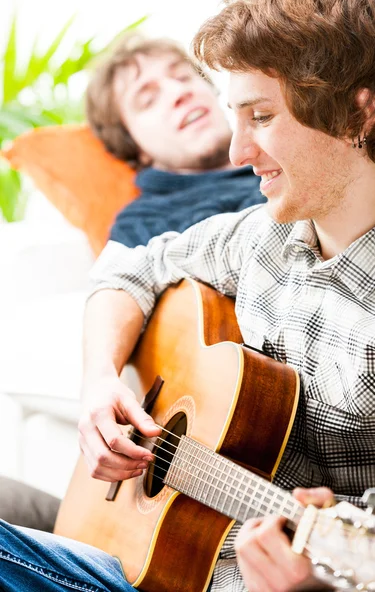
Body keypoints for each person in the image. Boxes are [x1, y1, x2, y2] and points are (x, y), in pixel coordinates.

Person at [1, 0, 375, 590]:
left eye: (260, 117)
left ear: (359, 115)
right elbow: (130, 267)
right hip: (137, 554)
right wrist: (99, 382)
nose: (235, 153)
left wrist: (313, 586)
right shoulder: (259, 237)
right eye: (236, 118)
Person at [0, 36, 264, 532]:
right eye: (148, 98)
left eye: (184, 77)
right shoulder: (150, 215)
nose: (178, 93)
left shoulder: (294, 157)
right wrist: (99, 379)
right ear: (134, 146)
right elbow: (118, 278)